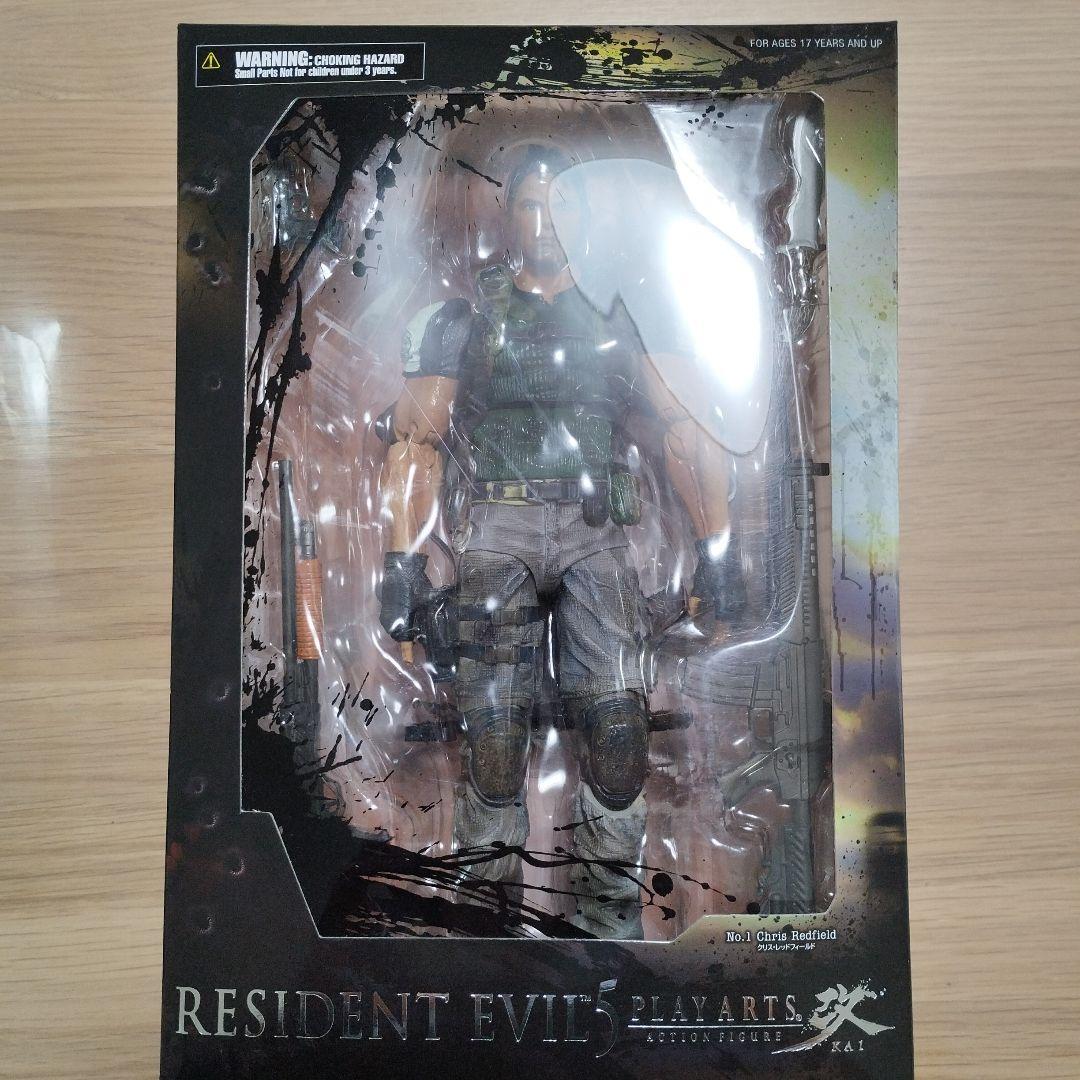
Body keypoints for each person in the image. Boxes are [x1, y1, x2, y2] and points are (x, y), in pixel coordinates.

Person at [377, 146, 742, 938]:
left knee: (618, 734)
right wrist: (399, 567)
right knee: (493, 742)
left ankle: (608, 931)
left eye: (561, 205)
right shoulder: (466, 319)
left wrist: (718, 550)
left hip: (593, 531)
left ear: (586, 215)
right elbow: (415, 441)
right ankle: (487, 924)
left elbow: (685, 430)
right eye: (530, 205)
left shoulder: (619, 316)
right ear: (508, 216)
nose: (544, 222)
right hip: (497, 527)